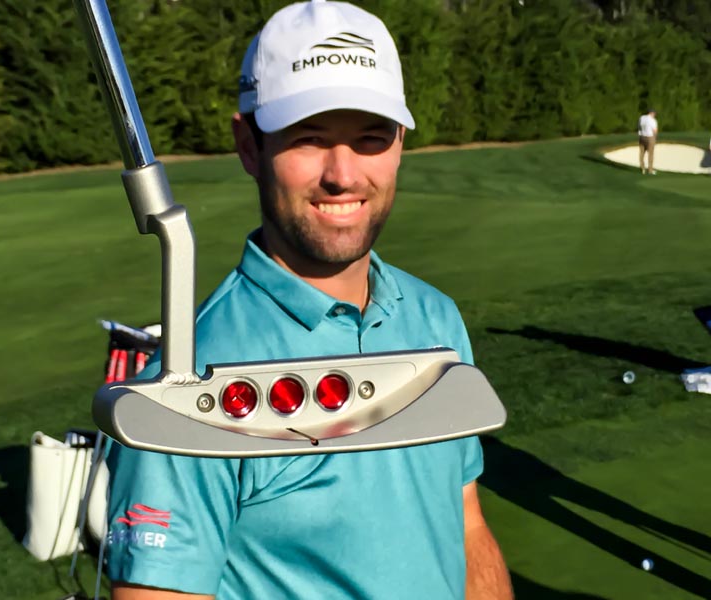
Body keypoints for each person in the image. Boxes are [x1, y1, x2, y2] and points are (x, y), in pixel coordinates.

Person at [104, 1, 514, 599]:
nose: (343, 174)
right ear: (249, 146)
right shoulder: (188, 388)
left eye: (371, 138)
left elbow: (467, 525)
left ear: (400, 143)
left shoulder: (436, 320)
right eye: (310, 139)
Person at [637, 109, 658, 175]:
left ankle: (642, 168)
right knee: (650, 154)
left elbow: (639, 127)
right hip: (649, 137)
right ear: (652, 113)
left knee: (642, 153)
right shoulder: (653, 120)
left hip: (642, 137)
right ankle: (650, 170)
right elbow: (655, 131)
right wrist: (655, 138)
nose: (655, 115)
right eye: (654, 113)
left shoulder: (642, 117)